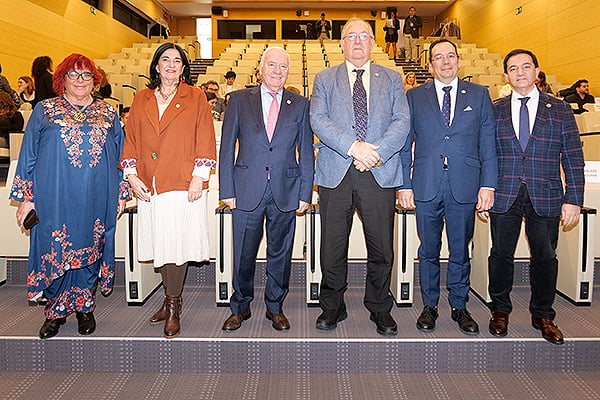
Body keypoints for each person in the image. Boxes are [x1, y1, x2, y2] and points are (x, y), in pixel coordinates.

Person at [10, 54, 126, 339]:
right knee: (54, 248)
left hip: (96, 196)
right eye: (73, 75)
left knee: (90, 247)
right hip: (53, 195)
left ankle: (84, 306)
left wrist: (122, 194)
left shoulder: (108, 113)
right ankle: (55, 311)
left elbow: (123, 156)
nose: (80, 81)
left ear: (95, 81)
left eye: (86, 75)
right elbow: (29, 154)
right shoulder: (44, 110)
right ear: (61, 79)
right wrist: (26, 197)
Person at [310, 18, 410, 336]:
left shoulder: (392, 79)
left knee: (381, 247)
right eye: (350, 36)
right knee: (332, 247)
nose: (356, 41)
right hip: (336, 171)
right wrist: (355, 148)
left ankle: (379, 307)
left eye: (363, 36)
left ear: (372, 42)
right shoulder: (325, 78)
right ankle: (332, 306)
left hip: (378, 172)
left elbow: (402, 121)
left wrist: (374, 153)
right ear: (340, 43)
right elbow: (318, 120)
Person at [485, 49, 585, 345]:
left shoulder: (560, 109)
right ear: (506, 75)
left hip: (547, 193)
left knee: (545, 256)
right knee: (500, 254)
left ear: (537, 71)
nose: (520, 72)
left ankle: (543, 314)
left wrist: (573, 198)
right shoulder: (495, 109)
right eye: (513, 68)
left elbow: (573, 156)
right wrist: (484, 190)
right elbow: (485, 154)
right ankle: (500, 310)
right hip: (504, 193)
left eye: (525, 67)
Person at [398, 38, 497, 336]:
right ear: (430, 65)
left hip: (464, 185)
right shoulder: (414, 96)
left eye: (450, 56)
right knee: (428, 249)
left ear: (458, 61)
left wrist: (488, 185)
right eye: (438, 57)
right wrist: (404, 184)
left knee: (459, 249)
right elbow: (405, 146)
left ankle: (459, 305)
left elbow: (487, 146)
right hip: (425, 184)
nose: (445, 62)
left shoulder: (479, 95)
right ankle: (430, 305)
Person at [120, 43, 217, 339]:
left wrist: (199, 177)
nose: (172, 64)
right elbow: (131, 137)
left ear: (184, 68)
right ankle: (168, 298)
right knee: (161, 244)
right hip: (150, 183)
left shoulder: (196, 96)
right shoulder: (141, 98)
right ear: (157, 66)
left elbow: (205, 136)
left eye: (177, 60)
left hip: (182, 181)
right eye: (166, 59)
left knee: (177, 245)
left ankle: (174, 305)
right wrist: (131, 175)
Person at [219, 46, 313, 332]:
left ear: (288, 71)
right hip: (246, 189)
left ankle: (275, 306)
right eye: (271, 65)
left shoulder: (300, 104)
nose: (277, 71)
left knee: (280, 253)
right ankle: (241, 306)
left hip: (286, 189)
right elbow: (226, 148)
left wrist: (305, 192)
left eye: (283, 67)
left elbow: (306, 151)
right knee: (243, 253)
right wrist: (226, 190)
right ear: (260, 69)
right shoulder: (237, 100)